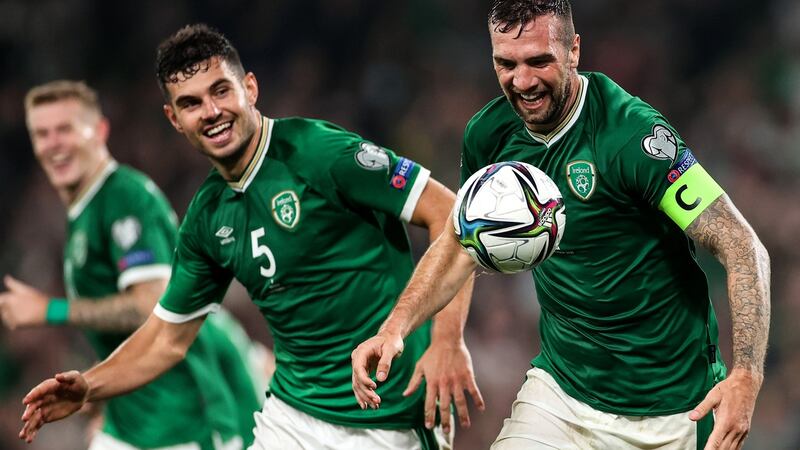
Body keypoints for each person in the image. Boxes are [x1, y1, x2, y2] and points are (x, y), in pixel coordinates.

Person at [18, 24, 483, 450]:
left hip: (387, 416)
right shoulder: (206, 217)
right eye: (191, 103)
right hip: (291, 413)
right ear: (174, 119)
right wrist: (89, 386)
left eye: (221, 91)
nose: (212, 111)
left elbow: (451, 214)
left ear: (251, 89)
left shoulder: (319, 152)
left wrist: (447, 340)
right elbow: (166, 337)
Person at [351, 1, 771, 449]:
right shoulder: (488, 136)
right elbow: (460, 244)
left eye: (539, 61)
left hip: (674, 409)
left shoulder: (631, 135)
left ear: (573, 51)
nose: (523, 81)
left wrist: (746, 373)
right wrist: (395, 328)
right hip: (562, 397)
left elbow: (742, 245)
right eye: (505, 64)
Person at [1, 79, 263, 449]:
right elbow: (122, 335)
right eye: (41, 133)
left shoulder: (124, 198)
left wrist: (51, 310)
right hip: (134, 423)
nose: (53, 143)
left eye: (65, 129)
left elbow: (150, 304)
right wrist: (101, 400)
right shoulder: (86, 213)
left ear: (100, 131)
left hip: (180, 423)